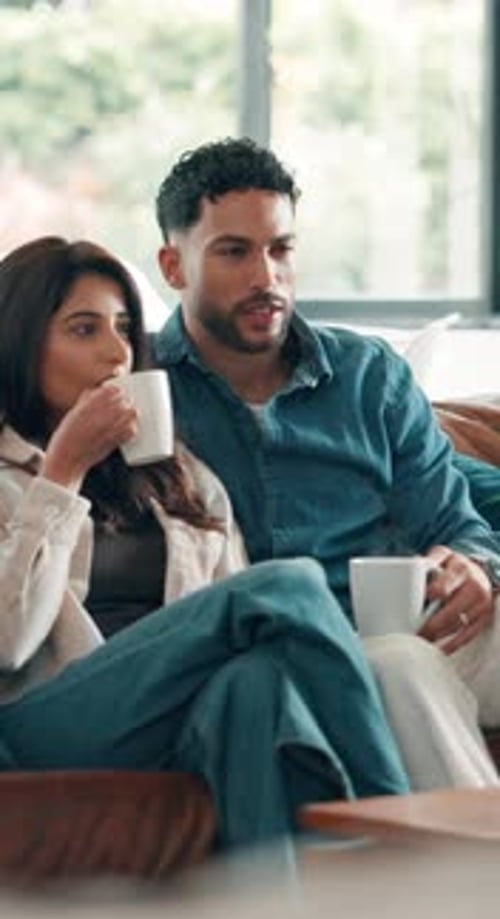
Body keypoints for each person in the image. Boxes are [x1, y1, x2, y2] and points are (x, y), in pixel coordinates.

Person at [0, 236, 410, 866]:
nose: (116, 352)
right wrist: (62, 475)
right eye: (84, 329)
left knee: (254, 684)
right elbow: (9, 644)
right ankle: (398, 829)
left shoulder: (176, 475)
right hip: (41, 720)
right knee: (287, 585)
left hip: (167, 709)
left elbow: (235, 615)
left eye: (124, 329)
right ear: (21, 342)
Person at [153, 136, 500, 790]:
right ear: (174, 265)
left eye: (280, 249)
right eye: (234, 252)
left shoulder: (369, 375)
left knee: (413, 650)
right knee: (399, 664)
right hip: (292, 654)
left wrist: (475, 566)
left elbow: (456, 522)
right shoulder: (140, 389)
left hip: (422, 622)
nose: (266, 277)